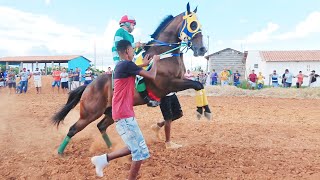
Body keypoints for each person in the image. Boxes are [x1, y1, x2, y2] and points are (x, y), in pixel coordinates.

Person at [91, 40, 160, 179]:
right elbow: (152, 76)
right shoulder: (127, 65)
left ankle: (102, 159)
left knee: (136, 147)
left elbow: (134, 67)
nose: (134, 52)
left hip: (123, 113)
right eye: (132, 50)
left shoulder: (121, 65)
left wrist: (146, 64)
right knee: (139, 153)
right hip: (124, 114)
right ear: (128, 51)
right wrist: (156, 61)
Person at [112, 15, 158, 107]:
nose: (134, 27)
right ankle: (146, 98)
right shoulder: (120, 31)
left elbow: (133, 50)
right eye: (133, 24)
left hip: (130, 59)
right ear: (127, 23)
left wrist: (141, 47)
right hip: (120, 59)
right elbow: (118, 46)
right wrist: (135, 45)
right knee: (140, 76)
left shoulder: (131, 36)